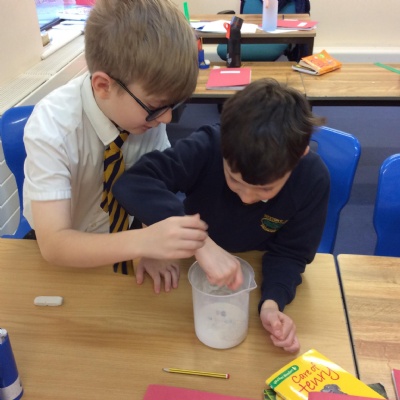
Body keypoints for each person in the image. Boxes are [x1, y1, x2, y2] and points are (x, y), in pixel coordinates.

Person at [113, 78, 330, 352]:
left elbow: (290, 254)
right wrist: (200, 243)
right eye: (235, 180)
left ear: (300, 156)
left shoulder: (312, 179)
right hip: (190, 265)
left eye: (265, 189)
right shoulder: (209, 145)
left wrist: (271, 304)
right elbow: (134, 183)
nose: (246, 198)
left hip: (255, 271)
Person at [22, 0, 208, 293]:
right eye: (157, 107)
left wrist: (149, 240)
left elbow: (152, 188)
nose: (166, 119)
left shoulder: (145, 117)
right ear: (103, 86)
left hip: (125, 234)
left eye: (173, 106)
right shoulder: (53, 126)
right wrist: (145, 242)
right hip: (64, 245)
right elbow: (55, 244)